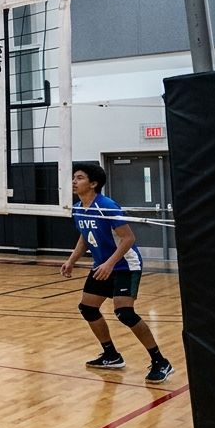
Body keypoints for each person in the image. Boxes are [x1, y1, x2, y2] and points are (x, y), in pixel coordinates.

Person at [62, 163, 173, 383]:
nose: (74, 181)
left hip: (124, 265)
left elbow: (129, 238)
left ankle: (161, 361)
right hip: (103, 265)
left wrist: (110, 264)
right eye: (74, 177)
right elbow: (86, 235)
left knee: (125, 313)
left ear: (93, 184)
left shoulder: (106, 206)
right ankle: (111, 355)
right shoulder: (77, 208)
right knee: (88, 308)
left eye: (80, 178)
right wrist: (72, 260)